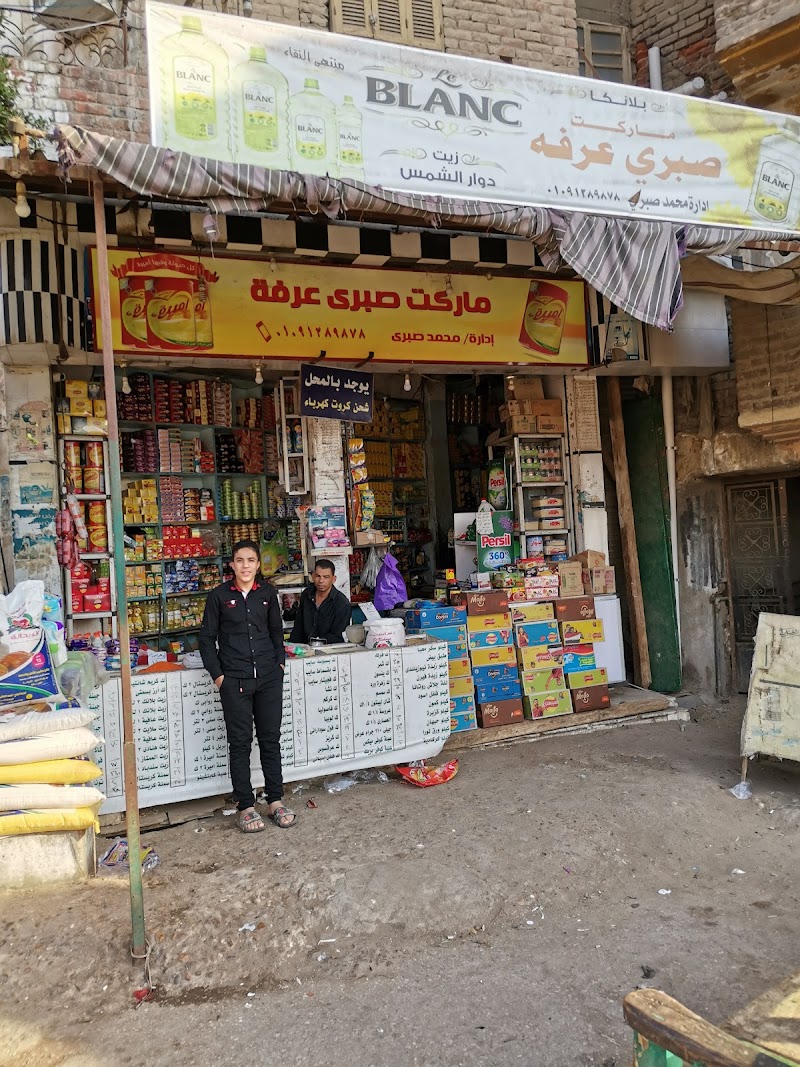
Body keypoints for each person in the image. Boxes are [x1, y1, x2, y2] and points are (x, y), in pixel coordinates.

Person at [199, 539, 296, 833]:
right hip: (235, 680)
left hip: (268, 677)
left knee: (270, 739)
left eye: (250, 560)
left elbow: (277, 632)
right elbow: (206, 639)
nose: (245, 566)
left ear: (257, 564)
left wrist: (279, 665)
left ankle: (275, 800)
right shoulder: (218, 596)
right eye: (240, 560)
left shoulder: (266, 593)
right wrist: (219, 676)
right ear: (232, 564)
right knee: (240, 743)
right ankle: (246, 806)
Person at [289, 559, 352, 645]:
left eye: (326, 577)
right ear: (313, 576)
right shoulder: (306, 595)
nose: (321, 581)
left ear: (333, 579)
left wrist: (316, 644)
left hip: (329, 649)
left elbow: (337, 636)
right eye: (318, 576)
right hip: (304, 649)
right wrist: (292, 647)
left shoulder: (342, 604)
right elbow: (298, 627)